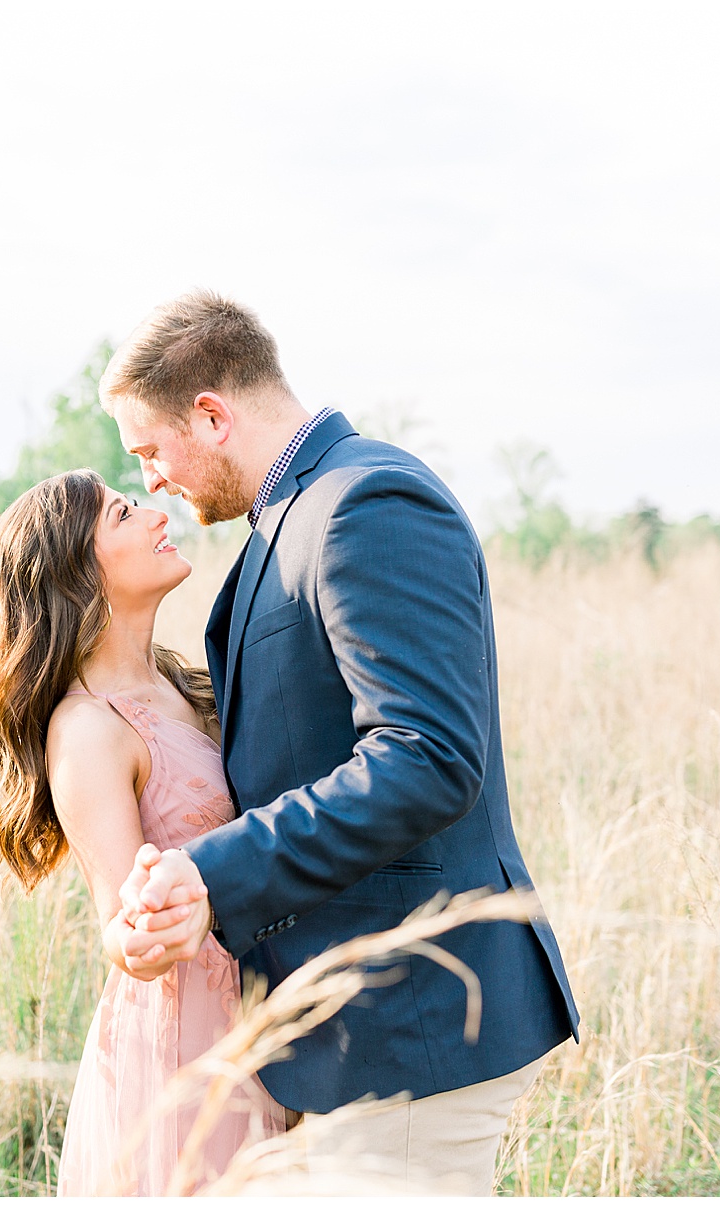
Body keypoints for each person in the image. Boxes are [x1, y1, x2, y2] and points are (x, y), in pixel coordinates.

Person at [103, 291, 580, 1195]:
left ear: (211, 414)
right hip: (344, 1029)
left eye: (150, 450)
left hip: (415, 1016)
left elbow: (427, 755)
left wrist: (211, 872)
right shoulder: (282, 527)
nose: (153, 478)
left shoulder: (368, 501)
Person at [0, 469, 289, 1195]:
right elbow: (118, 918)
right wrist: (141, 934)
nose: (152, 512)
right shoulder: (88, 729)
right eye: (121, 512)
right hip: (184, 1046)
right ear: (78, 571)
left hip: (261, 1023)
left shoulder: (184, 684)